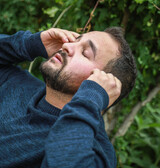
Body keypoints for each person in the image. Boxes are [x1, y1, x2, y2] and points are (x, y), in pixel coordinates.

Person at [0, 27, 136, 168]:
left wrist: (90, 98)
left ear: (102, 83)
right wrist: (29, 44)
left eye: (85, 53)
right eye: (75, 40)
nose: (66, 46)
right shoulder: (16, 83)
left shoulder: (96, 153)